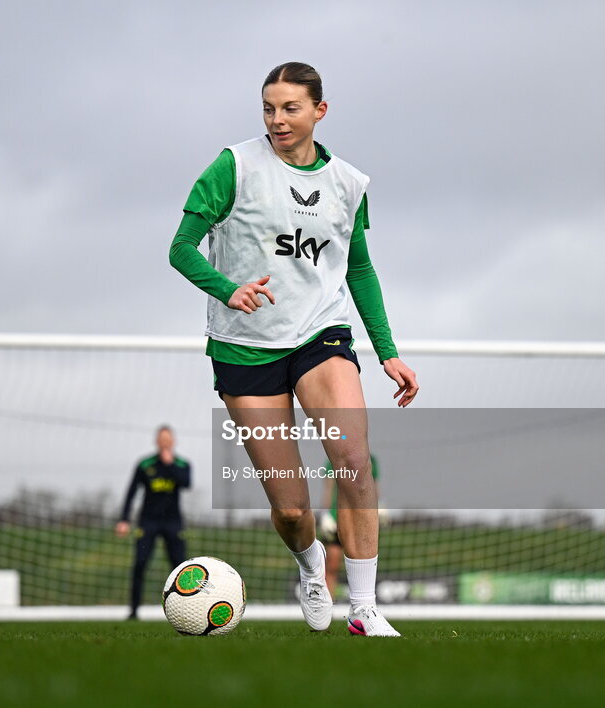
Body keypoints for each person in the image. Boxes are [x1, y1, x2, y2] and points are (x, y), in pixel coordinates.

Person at [169, 61, 418, 636]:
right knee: (291, 508)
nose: (277, 119)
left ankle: (363, 608)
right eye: (268, 108)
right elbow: (181, 248)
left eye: (290, 108)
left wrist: (388, 352)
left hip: (320, 336)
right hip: (244, 349)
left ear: (319, 112)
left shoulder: (349, 184)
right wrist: (228, 289)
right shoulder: (233, 166)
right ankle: (310, 568)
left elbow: (357, 268)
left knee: (353, 460)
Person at [115, 425, 191, 620]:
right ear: (157, 441)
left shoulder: (182, 464)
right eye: (161, 438)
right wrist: (124, 519)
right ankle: (133, 611)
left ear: (173, 441)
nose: (165, 442)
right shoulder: (145, 464)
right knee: (140, 564)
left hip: (173, 522)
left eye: (168, 438)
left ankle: (186, 611)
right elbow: (131, 492)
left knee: (179, 567)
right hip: (148, 522)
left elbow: (186, 484)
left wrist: (170, 465)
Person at [318, 454, 380, 602]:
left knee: (362, 564)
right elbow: (329, 489)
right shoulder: (333, 459)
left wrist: (377, 508)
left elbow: (373, 487)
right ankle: (328, 605)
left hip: (361, 517)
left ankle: (364, 607)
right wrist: (324, 513)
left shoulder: (371, 460)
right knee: (332, 564)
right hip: (335, 517)